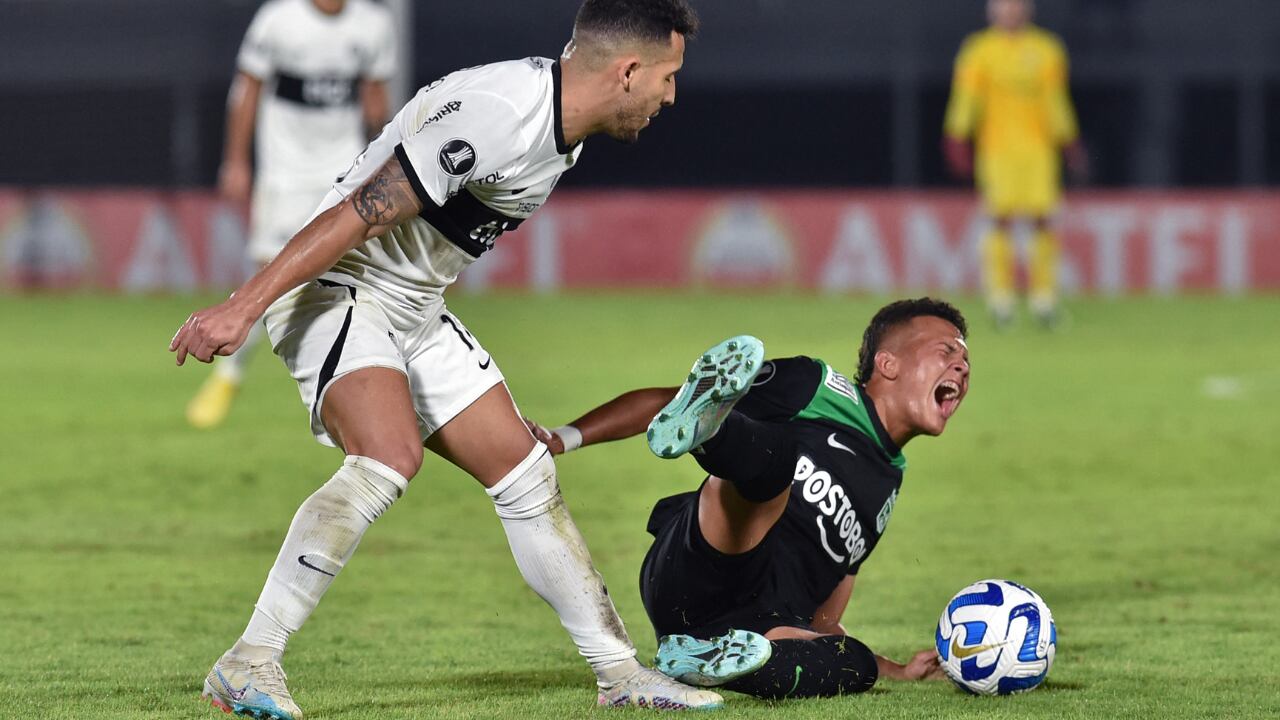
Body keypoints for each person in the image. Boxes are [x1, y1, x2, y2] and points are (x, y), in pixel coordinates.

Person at [171, 1, 720, 716]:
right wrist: (242, 307)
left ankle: (620, 676)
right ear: (629, 70)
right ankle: (248, 662)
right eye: (668, 77)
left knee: (526, 472)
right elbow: (357, 212)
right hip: (342, 289)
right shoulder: (499, 114)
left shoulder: (564, 130)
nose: (670, 96)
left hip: (412, 310)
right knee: (387, 456)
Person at [526, 298, 970, 699]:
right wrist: (566, 437)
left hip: (753, 624)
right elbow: (671, 399)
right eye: (947, 352)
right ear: (887, 363)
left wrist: (898, 670)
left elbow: (824, 622)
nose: (962, 368)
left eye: (966, 360)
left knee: (854, 662)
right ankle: (710, 432)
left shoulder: (889, 482)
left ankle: (710, 665)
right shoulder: (815, 387)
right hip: (700, 565)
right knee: (776, 462)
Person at [186, 0, 396, 429]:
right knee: (270, 271)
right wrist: (236, 160)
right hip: (284, 171)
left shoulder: (374, 25)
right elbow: (246, 89)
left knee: (359, 275)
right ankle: (230, 377)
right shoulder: (278, 20)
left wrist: (386, 166)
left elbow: (376, 101)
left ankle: (365, 385)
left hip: (344, 168)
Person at [942, 0, 1086, 329]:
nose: (1009, 10)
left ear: (1028, 9)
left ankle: (1044, 300)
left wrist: (1069, 140)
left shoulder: (1047, 49)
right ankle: (1001, 300)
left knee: (1043, 220)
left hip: (1038, 150)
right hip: (997, 150)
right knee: (1000, 220)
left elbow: (1055, 100)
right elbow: (967, 97)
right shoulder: (978, 50)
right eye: (1002, 5)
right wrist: (956, 134)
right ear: (991, 10)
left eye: (1015, 4)